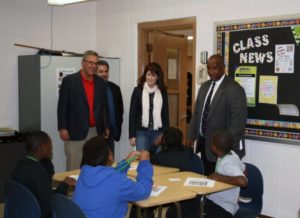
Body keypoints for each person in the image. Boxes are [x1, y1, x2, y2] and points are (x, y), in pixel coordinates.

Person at [188, 54, 247, 175]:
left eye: (214, 68)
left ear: (223, 68)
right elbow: (197, 113)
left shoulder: (235, 89)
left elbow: (238, 124)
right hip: (205, 145)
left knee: (220, 187)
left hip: (223, 150)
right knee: (207, 180)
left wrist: (223, 149)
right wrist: (191, 135)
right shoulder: (204, 87)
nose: (211, 72)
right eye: (208, 68)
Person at [73, 136, 153, 218]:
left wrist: (127, 161)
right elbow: (143, 191)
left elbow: (109, 175)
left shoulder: (84, 174)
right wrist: (144, 163)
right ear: (109, 156)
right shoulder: (116, 180)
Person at [57, 50, 109, 170]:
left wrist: (106, 126)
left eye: (95, 63)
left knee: (95, 166)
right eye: (90, 62)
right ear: (83, 63)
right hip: (75, 130)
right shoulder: (70, 81)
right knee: (74, 166)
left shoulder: (100, 83)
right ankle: (71, 189)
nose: (93, 66)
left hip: (95, 131)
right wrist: (62, 127)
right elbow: (62, 106)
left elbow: (104, 107)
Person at [11, 131, 76, 218]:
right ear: (43, 147)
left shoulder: (20, 166)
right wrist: (64, 185)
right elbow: (50, 206)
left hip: (22, 211)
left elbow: (43, 194)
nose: (51, 148)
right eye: (50, 145)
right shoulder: (39, 172)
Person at [151, 127, 202, 218]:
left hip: (168, 198)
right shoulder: (190, 154)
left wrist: (155, 144)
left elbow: (147, 159)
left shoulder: (158, 157)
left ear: (164, 141)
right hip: (190, 196)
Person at [205, 129, 248, 218]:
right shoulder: (231, 153)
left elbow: (243, 182)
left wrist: (218, 177)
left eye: (212, 142)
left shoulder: (227, 163)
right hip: (215, 200)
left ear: (215, 148)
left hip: (223, 206)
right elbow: (244, 170)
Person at [129, 62, 169, 154]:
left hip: (159, 133)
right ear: (145, 75)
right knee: (142, 159)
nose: (150, 78)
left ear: (158, 77)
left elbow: (165, 114)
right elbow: (132, 114)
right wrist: (132, 135)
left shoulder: (162, 92)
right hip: (141, 133)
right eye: (148, 74)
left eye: (153, 75)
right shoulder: (137, 91)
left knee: (159, 159)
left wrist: (166, 134)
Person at [96, 60, 124, 155]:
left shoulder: (115, 88)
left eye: (106, 71)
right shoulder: (92, 89)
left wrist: (117, 127)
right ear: (95, 72)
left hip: (111, 133)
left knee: (110, 161)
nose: (104, 74)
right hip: (97, 133)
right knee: (97, 162)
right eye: (100, 71)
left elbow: (120, 110)